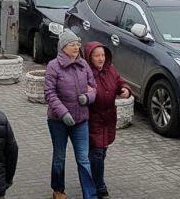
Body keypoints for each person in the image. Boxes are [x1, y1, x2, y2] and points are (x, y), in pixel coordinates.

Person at [43, 30, 98, 199]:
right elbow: (49, 93)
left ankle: (90, 194)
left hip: (81, 120)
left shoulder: (84, 65)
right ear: (63, 47)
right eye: (72, 44)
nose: (76, 47)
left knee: (83, 159)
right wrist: (63, 112)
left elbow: (94, 87)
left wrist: (87, 97)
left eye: (77, 44)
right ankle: (58, 189)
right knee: (59, 156)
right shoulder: (53, 66)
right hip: (58, 121)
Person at [85, 41, 130, 198]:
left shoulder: (111, 69)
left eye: (102, 55)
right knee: (96, 152)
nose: (100, 58)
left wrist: (125, 89)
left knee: (102, 151)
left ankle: (94, 177)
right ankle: (99, 185)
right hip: (93, 118)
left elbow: (119, 82)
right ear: (89, 57)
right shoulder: (85, 72)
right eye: (96, 55)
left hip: (109, 117)